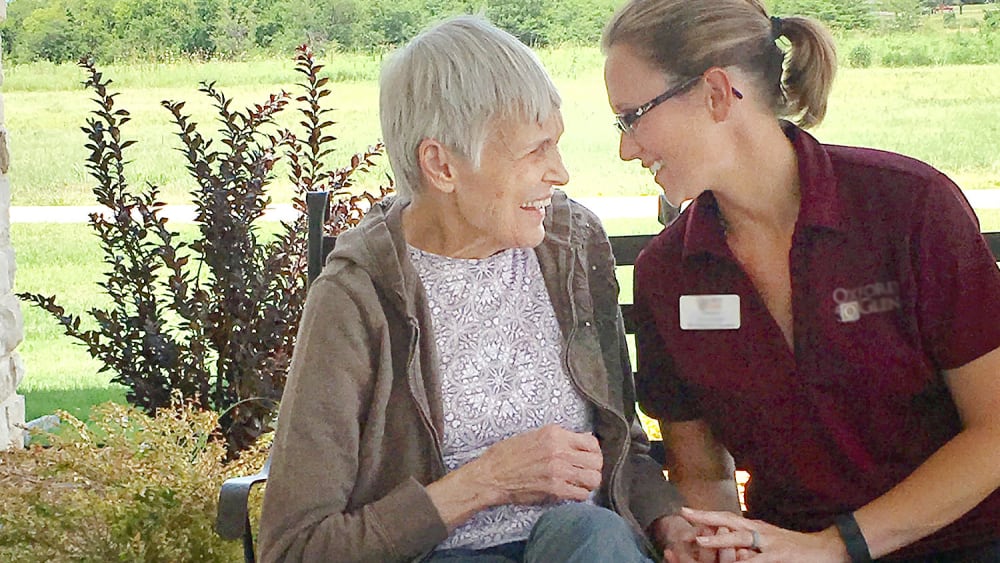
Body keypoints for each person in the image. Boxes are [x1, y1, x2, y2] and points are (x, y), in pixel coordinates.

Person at [258, 15, 698, 563]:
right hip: (439, 553)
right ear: (441, 164)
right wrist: (488, 482)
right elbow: (296, 547)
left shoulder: (572, 247)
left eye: (556, 146)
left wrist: (670, 523)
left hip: (584, 546)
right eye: (535, 151)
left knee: (592, 533)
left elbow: (621, 445)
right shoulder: (358, 298)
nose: (560, 173)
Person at [601, 0, 1000, 561]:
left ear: (717, 94)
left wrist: (836, 548)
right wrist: (717, 542)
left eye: (632, 116)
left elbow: (995, 433)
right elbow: (703, 473)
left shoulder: (908, 207)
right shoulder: (667, 272)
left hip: (963, 542)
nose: (625, 147)